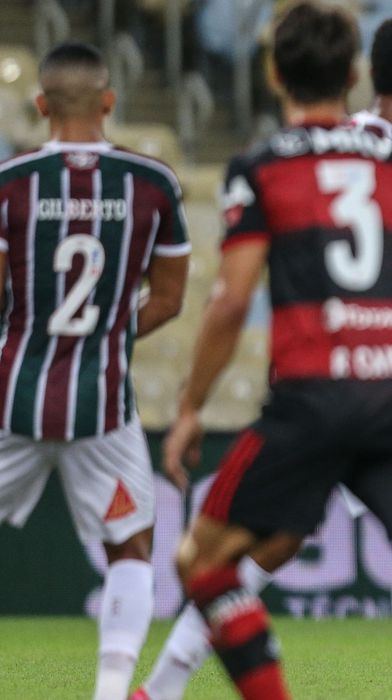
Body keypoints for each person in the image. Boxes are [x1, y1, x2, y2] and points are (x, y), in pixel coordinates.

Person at [161, 4, 392, 699]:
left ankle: (163, 688)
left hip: (315, 393)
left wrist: (192, 405)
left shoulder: (271, 162)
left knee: (228, 557)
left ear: (274, 73)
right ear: (358, 74)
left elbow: (231, 296)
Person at [0, 42, 189, 700]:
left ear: (40, 104)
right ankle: (111, 693)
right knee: (131, 550)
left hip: (10, 395)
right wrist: (107, 329)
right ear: (109, 102)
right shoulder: (155, 183)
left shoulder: (10, 182)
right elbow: (169, 297)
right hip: (102, 402)